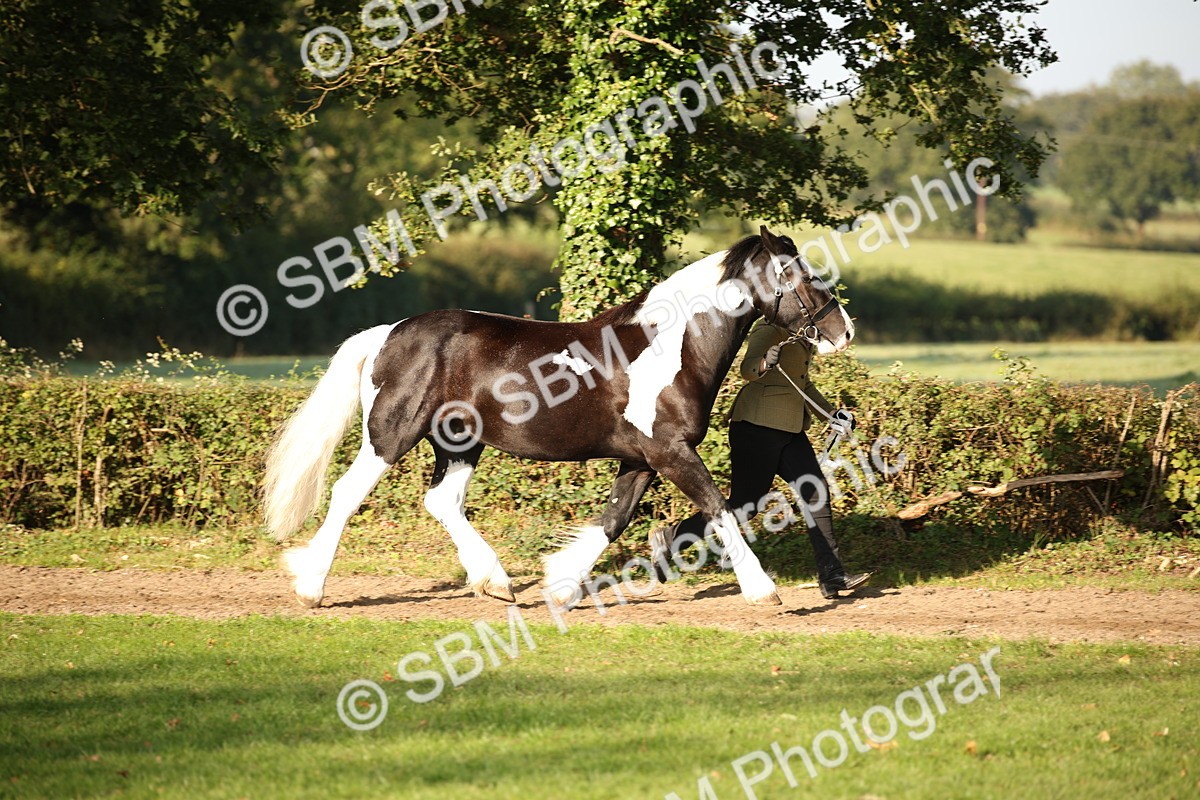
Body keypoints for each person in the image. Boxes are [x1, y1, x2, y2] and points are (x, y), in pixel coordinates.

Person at [650, 318, 870, 600]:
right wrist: (766, 360)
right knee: (745, 506)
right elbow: (748, 369)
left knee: (816, 493)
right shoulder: (769, 331)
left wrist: (831, 415)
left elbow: (803, 385)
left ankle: (832, 576)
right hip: (756, 428)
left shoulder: (803, 339)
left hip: (790, 430)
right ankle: (673, 537)